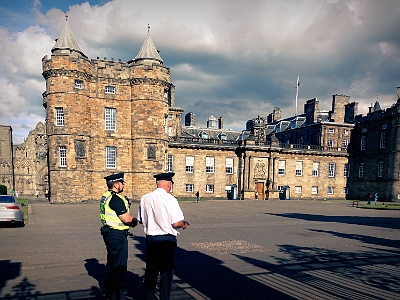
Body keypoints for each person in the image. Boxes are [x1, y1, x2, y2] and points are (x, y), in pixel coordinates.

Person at [138, 172, 189, 300]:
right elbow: (176, 222)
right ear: (168, 184)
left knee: (151, 271)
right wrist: (183, 223)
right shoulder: (170, 199)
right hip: (166, 240)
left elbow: (140, 219)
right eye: (171, 184)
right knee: (166, 273)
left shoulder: (145, 198)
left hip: (151, 239)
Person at [100, 172, 138, 300]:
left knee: (111, 264)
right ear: (116, 184)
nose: (123, 185)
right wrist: (135, 221)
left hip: (109, 233)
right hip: (117, 235)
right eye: (122, 183)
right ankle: (118, 295)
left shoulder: (106, 196)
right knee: (119, 267)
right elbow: (126, 219)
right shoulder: (115, 199)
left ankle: (111, 293)